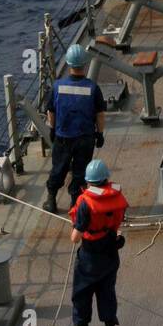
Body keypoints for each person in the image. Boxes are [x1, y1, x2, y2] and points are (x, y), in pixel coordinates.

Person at [69, 158, 128, 326]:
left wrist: (76, 227)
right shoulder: (115, 197)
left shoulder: (85, 203)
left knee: (82, 296)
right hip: (110, 255)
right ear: (106, 180)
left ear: (88, 182)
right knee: (107, 295)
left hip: (89, 257)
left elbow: (75, 238)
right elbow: (116, 224)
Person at [44, 44, 106, 216]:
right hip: (85, 138)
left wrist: (52, 129)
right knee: (80, 171)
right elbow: (100, 115)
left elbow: (51, 112)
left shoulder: (57, 86)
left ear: (69, 63)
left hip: (63, 136)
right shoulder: (93, 88)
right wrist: (99, 134)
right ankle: (75, 203)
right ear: (85, 64)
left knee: (58, 168)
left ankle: (51, 199)